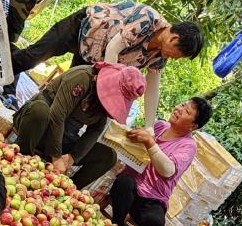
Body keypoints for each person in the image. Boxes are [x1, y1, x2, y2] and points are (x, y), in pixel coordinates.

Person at [9, 1, 204, 125]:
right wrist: (108, 90)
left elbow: (153, 88)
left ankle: (27, 118)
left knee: (69, 92)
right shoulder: (148, 19)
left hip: (94, 59)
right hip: (83, 29)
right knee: (32, 58)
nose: (174, 58)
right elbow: (113, 48)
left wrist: (149, 127)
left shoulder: (159, 56)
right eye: (178, 54)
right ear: (173, 39)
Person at [12, 62, 145, 188]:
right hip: (36, 126)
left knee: (109, 156)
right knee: (40, 110)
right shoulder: (83, 77)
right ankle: (22, 162)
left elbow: (95, 131)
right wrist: (56, 157)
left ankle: (65, 190)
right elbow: (57, 116)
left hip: (64, 138)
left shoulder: (103, 107)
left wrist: (72, 157)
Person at [110, 96, 212, 226]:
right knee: (123, 183)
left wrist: (150, 143)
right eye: (182, 104)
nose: (179, 109)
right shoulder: (159, 126)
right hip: (132, 185)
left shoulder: (188, 146)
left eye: (186, 111)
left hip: (153, 198)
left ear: (193, 125)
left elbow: (167, 170)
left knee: (156, 222)